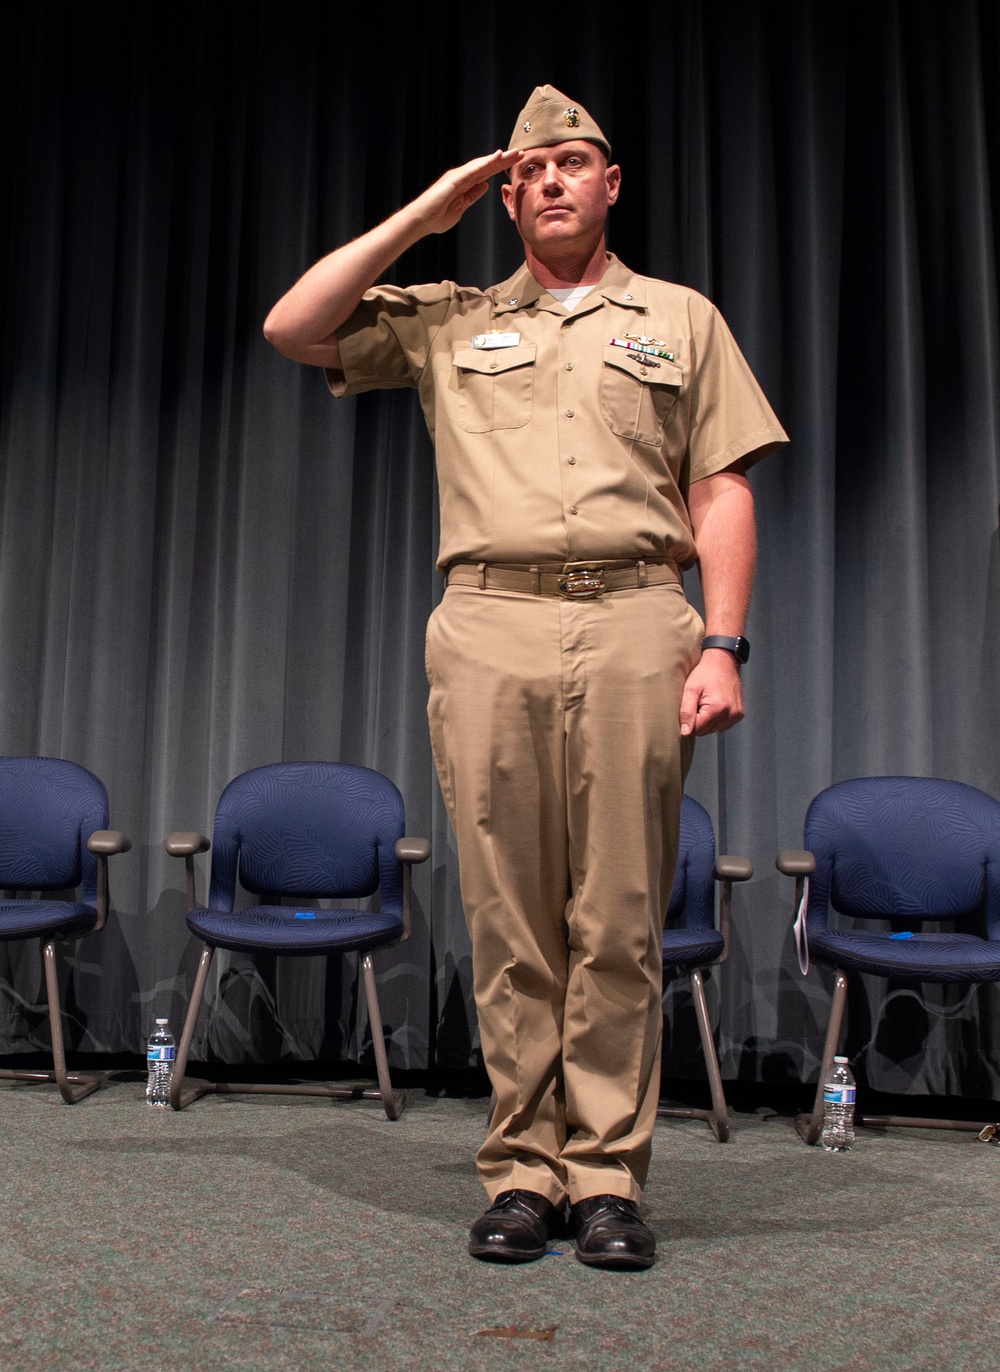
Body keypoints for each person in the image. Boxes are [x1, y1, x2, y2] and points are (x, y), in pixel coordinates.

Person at [264, 85, 787, 1271]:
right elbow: (293, 328)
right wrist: (421, 215)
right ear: (504, 196)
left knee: (615, 917)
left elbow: (722, 489)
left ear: (610, 185)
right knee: (507, 920)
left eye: (574, 163)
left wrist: (723, 639)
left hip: (638, 616)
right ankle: (520, 1173)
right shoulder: (449, 318)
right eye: (528, 171)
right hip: (489, 620)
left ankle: (604, 1179)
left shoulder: (680, 318)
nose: (551, 181)